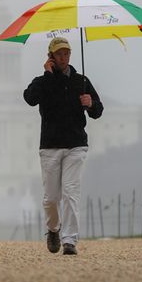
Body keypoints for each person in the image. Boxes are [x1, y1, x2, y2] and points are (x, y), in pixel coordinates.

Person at [23, 36, 103, 256]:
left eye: (66, 53)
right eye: (59, 54)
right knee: (51, 198)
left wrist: (91, 103)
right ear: (51, 57)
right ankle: (53, 229)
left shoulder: (82, 81)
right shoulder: (42, 81)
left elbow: (98, 111)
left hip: (76, 145)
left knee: (71, 193)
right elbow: (30, 98)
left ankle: (70, 240)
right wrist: (48, 76)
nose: (64, 57)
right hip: (50, 146)